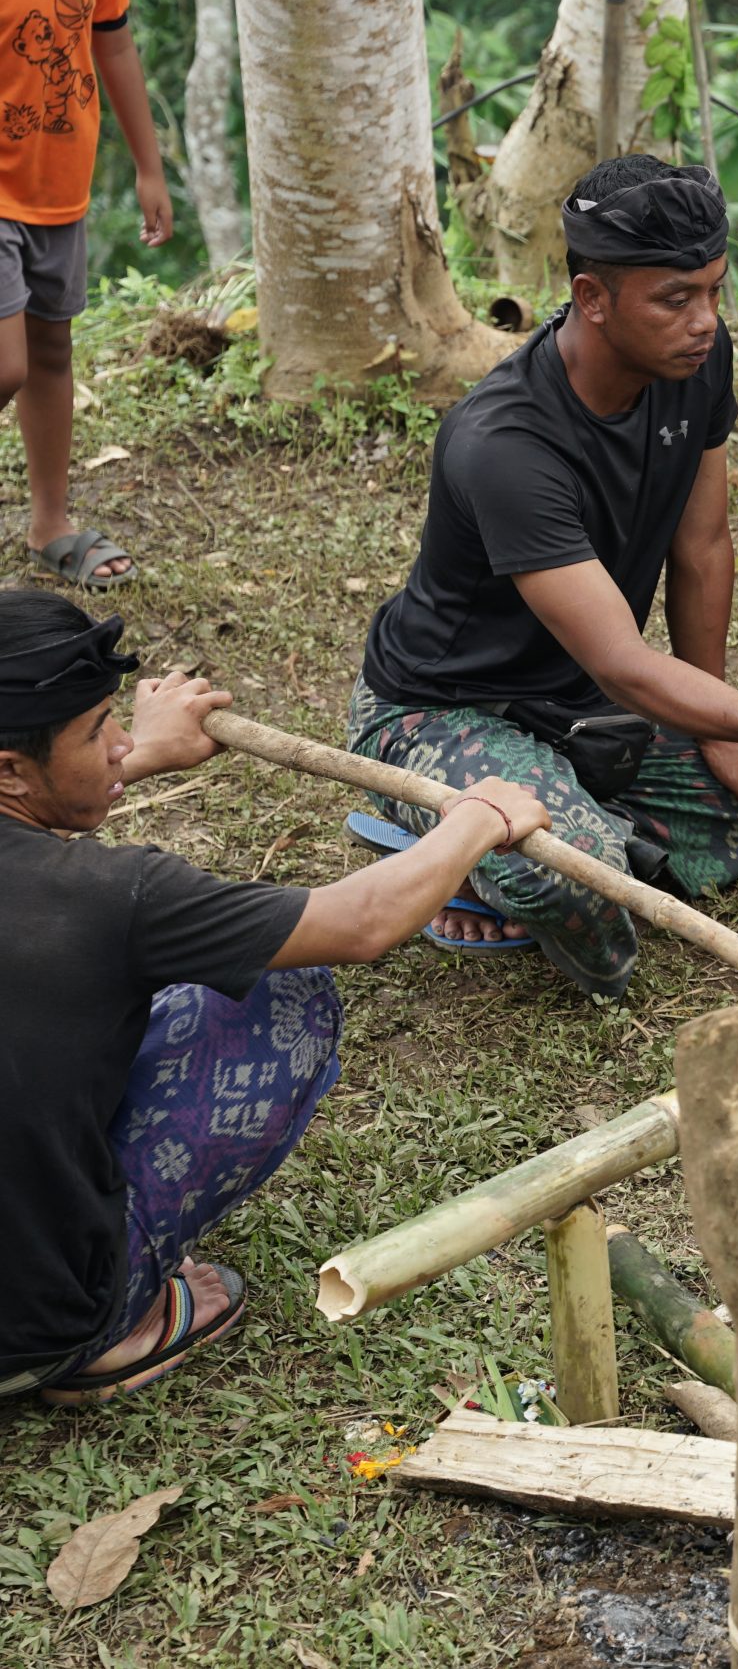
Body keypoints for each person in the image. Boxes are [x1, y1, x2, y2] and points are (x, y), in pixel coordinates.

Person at [351, 156, 738, 996]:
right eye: (675, 298)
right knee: (571, 880)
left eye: (714, 289)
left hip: (579, 710)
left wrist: (721, 722)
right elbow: (623, 664)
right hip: (443, 710)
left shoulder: (697, 365)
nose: (705, 320)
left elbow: (705, 543)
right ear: (593, 298)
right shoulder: (506, 443)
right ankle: (459, 846)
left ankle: (562, 820)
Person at [0, 593, 550, 1404]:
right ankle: (114, 1331)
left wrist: (134, 755)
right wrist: (475, 820)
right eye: (95, 735)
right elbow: (359, 923)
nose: (119, 742)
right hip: (36, 1326)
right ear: (11, 768)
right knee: (275, 987)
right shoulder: (115, 898)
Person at [5, 0, 170, 590]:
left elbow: (116, 44)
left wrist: (147, 167)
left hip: (56, 191)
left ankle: (49, 524)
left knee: (50, 349)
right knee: (7, 364)